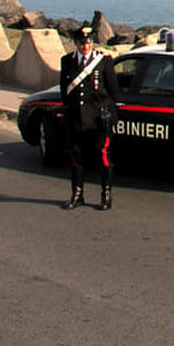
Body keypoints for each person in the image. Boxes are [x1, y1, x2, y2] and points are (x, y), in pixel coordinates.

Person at [59, 26, 122, 211]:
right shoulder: (67, 61)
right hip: (76, 118)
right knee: (76, 157)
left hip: (98, 118)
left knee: (103, 157)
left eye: (88, 42)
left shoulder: (103, 61)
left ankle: (106, 195)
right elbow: (65, 91)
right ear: (76, 43)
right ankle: (77, 195)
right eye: (81, 42)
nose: (85, 46)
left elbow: (114, 92)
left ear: (92, 42)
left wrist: (108, 115)